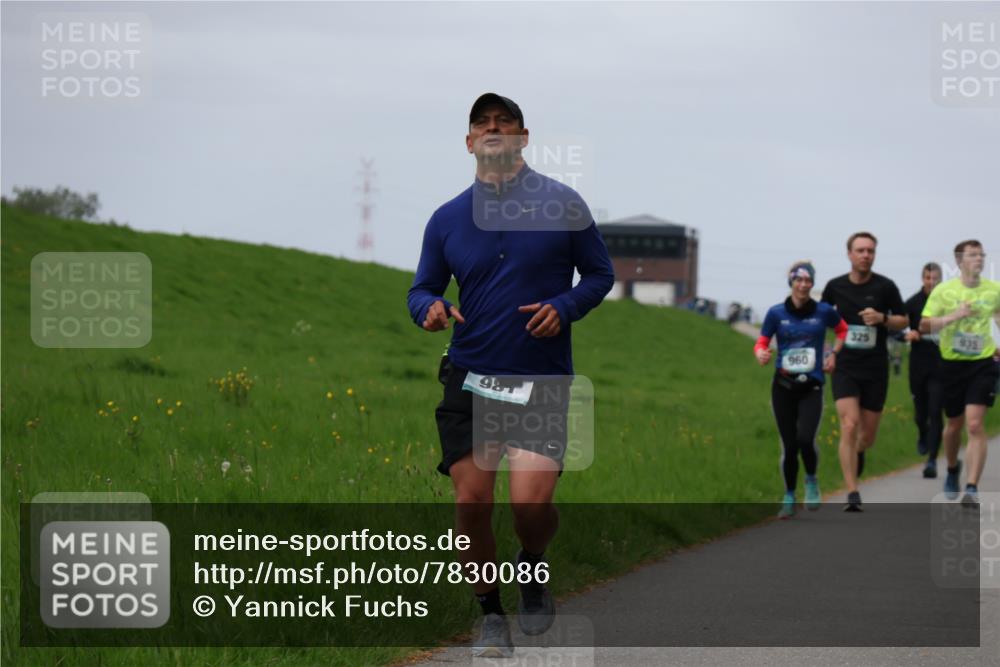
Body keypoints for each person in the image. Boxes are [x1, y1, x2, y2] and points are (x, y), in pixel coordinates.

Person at [407, 93, 614, 657]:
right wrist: (427, 308)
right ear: (470, 142)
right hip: (471, 377)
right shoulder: (447, 217)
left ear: (523, 137)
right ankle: (490, 614)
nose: (493, 130)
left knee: (529, 507)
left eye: (504, 123)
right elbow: (422, 286)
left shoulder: (564, 203)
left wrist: (565, 308)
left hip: (541, 381)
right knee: (470, 505)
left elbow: (599, 275)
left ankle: (533, 564)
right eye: (483, 124)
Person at [821, 232, 908, 512]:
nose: (865, 255)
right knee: (848, 424)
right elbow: (819, 321)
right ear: (849, 254)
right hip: (845, 365)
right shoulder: (834, 287)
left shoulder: (885, 287)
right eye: (860, 250)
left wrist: (882, 318)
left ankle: (859, 452)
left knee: (867, 436)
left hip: (875, 367)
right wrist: (827, 353)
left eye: (870, 251)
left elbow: (904, 320)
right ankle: (852, 491)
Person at [755, 262, 847, 518]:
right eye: (799, 280)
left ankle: (811, 480)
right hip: (783, 386)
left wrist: (833, 354)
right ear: (791, 282)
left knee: (806, 439)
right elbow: (762, 341)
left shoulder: (824, 311)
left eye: (808, 281)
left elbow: (842, 329)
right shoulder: (775, 313)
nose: (804, 285)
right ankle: (788, 495)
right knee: (789, 444)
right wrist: (761, 354)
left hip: (812, 386)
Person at [920, 240, 1000, 506]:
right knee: (953, 425)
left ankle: (972, 487)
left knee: (975, 424)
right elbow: (924, 326)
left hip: (983, 363)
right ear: (959, 261)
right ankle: (953, 468)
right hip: (951, 364)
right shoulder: (944, 291)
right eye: (972, 255)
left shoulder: (994, 290)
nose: (979, 259)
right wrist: (954, 316)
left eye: (981, 255)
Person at [903, 262, 944, 478]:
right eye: (928, 278)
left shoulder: (948, 304)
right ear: (922, 279)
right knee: (921, 414)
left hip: (941, 363)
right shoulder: (912, 303)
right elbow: (894, 329)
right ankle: (922, 432)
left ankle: (932, 461)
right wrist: (907, 335)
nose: (932, 282)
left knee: (936, 411)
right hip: (919, 363)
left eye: (936, 278)